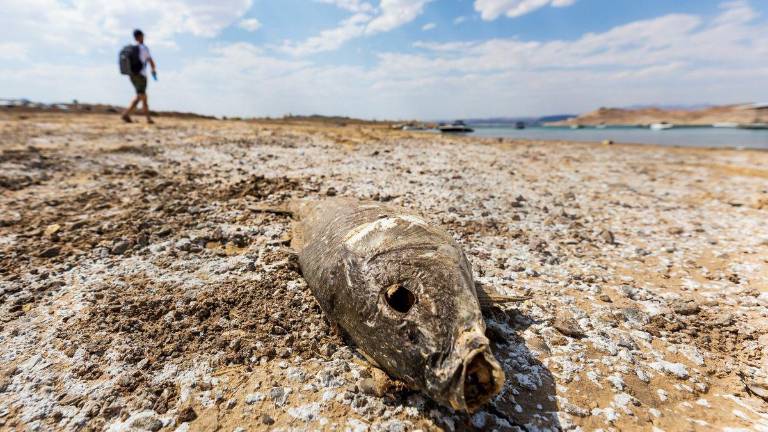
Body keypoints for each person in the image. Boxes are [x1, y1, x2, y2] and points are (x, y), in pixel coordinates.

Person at [122, 29, 157, 124]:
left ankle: (146, 118)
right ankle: (127, 114)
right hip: (141, 75)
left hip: (132, 75)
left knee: (141, 96)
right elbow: (150, 61)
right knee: (142, 96)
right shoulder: (143, 48)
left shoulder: (132, 49)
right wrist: (153, 70)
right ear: (140, 36)